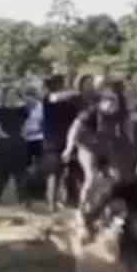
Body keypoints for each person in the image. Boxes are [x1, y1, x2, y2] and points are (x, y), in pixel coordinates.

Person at [66, 83, 137, 237]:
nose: (111, 105)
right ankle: (81, 211)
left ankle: (104, 214)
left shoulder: (122, 113)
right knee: (92, 178)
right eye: (107, 101)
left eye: (114, 101)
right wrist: (68, 148)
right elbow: (74, 129)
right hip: (87, 146)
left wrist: (128, 152)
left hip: (106, 147)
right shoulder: (91, 112)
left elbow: (128, 133)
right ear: (101, 101)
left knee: (116, 179)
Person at [41, 74, 85, 209]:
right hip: (55, 141)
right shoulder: (50, 98)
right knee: (55, 173)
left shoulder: (71, 100)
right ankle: (53, 204)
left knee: (73, 172)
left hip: (64, 140)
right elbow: (59, 97)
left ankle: (72, 201)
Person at [0, 87, 31, 205]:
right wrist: (5, 137)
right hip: (5, 143)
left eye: (15, 94)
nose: (12, 96)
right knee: (2, 175)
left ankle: (23, 199)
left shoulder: (23, 110)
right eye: (10, 94)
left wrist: (22, 136)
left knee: (21, 174)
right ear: (5, 96)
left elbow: (25, 125)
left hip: (19, 143)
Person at [22, 88, 45, 201]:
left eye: (30, 97)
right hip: (25, 140)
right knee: (26, 167)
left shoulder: (41, 108)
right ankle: (27, 191)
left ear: (34, 97)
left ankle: (40, 191)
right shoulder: (23, 108)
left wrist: (33, 131)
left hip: (38, 138)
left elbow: (43, 124)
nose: (27, 100)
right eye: (26, 98)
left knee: (40, 165)